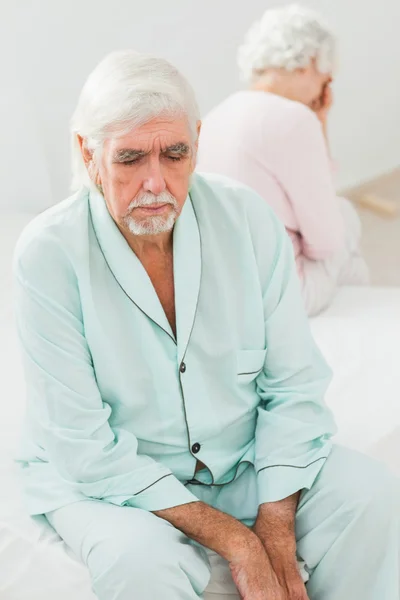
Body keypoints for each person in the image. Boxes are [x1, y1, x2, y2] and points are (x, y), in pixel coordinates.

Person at [14, 50, 398, 600]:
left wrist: (275, 525)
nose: (156, 183)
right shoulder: (48, 255)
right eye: (129, 159)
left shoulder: (246, 218)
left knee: (373, 496)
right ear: (88, 153)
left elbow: (293, 384)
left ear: (198, 140)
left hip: (240, 460)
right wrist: (238, 543)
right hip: (109, 482)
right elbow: (83, 447)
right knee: (139, 565)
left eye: (175, 154)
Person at [197, 5, 369, 316]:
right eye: (325, 80)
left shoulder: (215, 117)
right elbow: (327, 242)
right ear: (312, 62)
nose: (322, 91)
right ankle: (362, 327)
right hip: (280, 298)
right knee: (347, 218)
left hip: (222, 295)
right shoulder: (293, 120)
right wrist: (318, 123)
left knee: (342, 242)